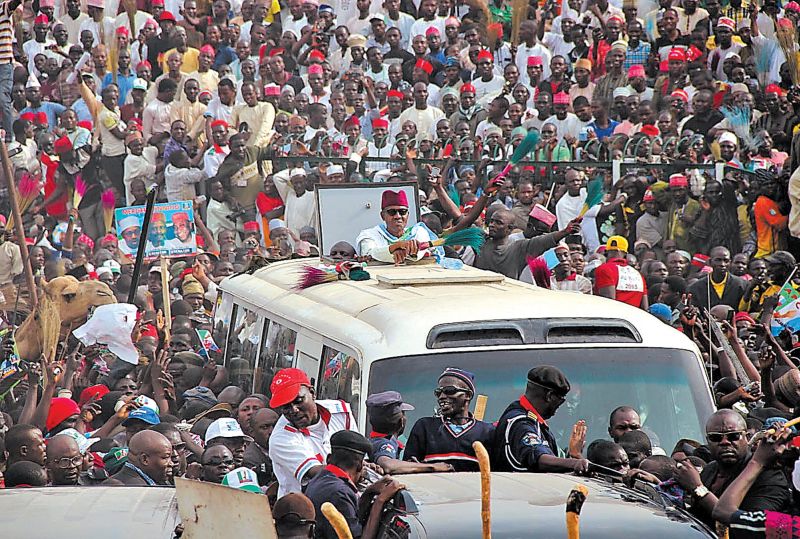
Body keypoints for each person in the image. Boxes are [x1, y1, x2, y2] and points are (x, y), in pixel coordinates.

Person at [674, 409, 790, 526]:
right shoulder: (709, 470)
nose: (725, 442)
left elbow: (747, 527)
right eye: (715, 437)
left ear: (747, 437)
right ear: (708, 440)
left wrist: (698, 488)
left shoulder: (769, 476)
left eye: (733, 436)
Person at [268, 368, 357, 497]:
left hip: (345, 495)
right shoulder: (280, 438)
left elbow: (358, 452)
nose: (294, 410)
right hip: (304, 505)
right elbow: (319, 473)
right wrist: (359, 470)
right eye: (286, 406)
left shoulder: (341, 412)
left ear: (312, 393)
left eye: (298, 400)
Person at [305, 430, 404, 539]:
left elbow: (352, 518)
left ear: (329, 458)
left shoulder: (319, 479)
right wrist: (380, 501)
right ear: (360, 466)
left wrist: (369, 492)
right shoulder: (340, 493)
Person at [493, 365, 590, 473]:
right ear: (549, 396)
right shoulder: (520, 423)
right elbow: (538, 457)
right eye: (561, 399)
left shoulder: (536, 423)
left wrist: (575, 455)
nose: (561, 405)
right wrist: (574, 463)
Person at [403, 368, 494, 471]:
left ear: (468, 395)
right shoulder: (425, 427)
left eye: (449, 391)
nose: (441, 397)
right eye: (438, 393)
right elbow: (408, 468)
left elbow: (497, 473)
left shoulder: (488, 432)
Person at [366, 390, 452, 474]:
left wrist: (413, 465)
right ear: (401, 421)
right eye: (403, 413)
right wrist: (433, 467)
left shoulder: (374, 441)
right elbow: (388, 465)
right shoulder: (385, 444)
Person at [355, 189, 437, 265]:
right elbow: (368, 254)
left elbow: (419, 252)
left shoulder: (418, 232)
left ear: (408, 215)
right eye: (392, 212)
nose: (398, 216)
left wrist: (400, 251)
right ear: (382, 216)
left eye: (402, 212)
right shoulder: (369, 235)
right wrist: (394, 247)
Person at [594, 236, 648, 309]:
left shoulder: (604, 269)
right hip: (634, 316)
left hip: (613, 315)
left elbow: (608, 302)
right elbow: (645, 307)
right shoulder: (638, 275)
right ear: (625, 254)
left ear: (606, 252)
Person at [105, 430, 173, 486]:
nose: (171, 463)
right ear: (144, 459)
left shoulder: (159, 481)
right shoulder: (121, 487)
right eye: (165, 457)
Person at [688, 246, 747, 310]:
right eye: (718, 260)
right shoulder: (696, 288)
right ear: (710, 262)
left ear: (730, 263)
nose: (722, 264)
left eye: (726, 261)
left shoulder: (742, 285)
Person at [243, 407, 278, 486]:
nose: (272, 431)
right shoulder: (249, 459)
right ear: (252, 432)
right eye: (265, 427)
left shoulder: (288, 448)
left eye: (275, 426)